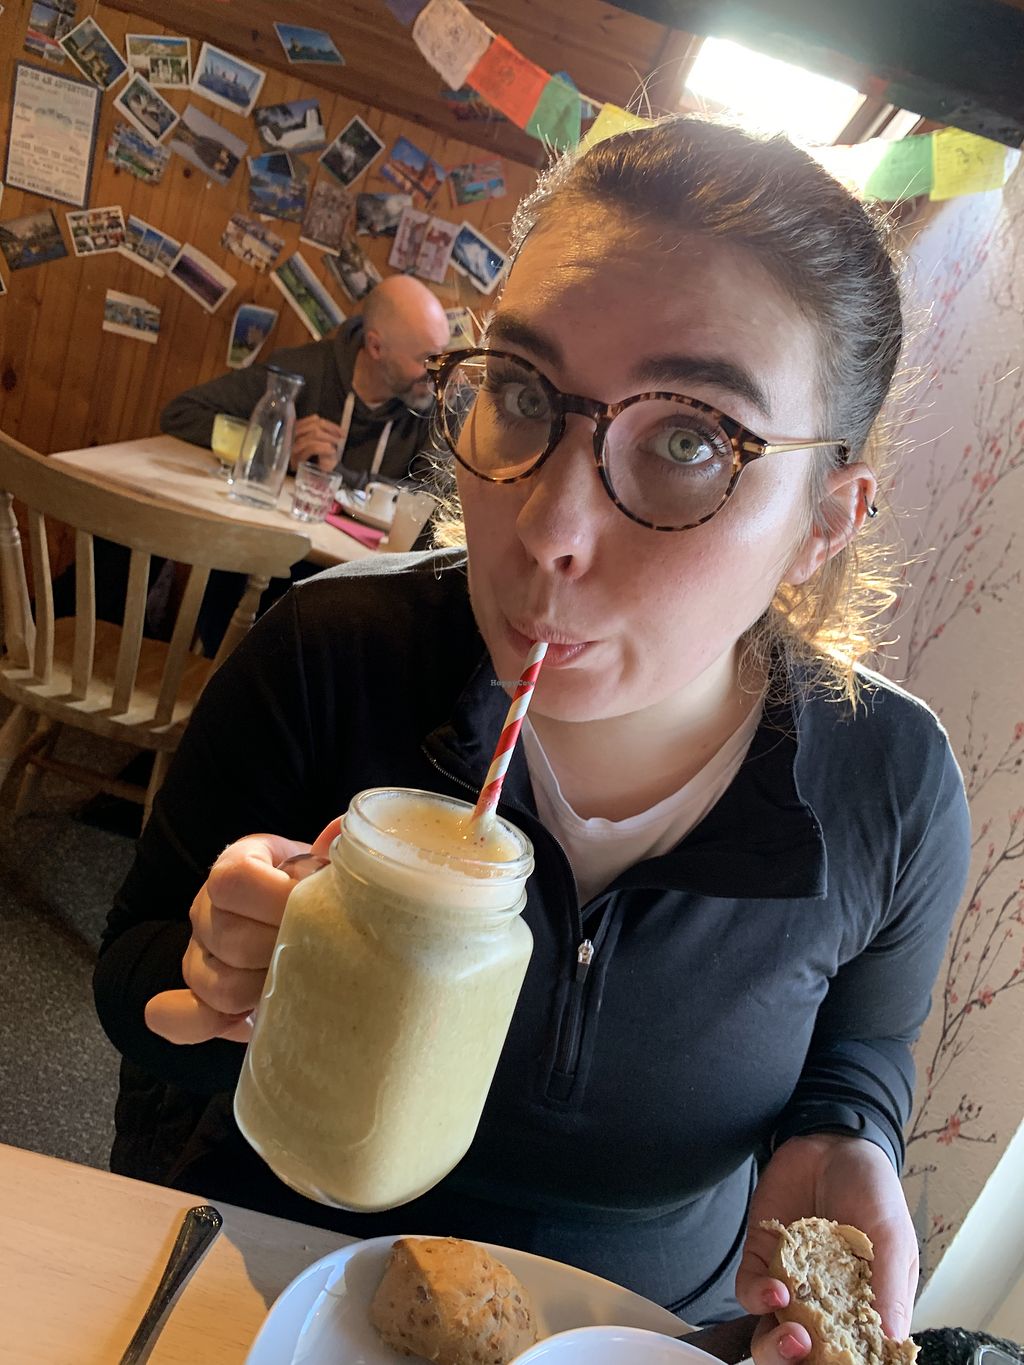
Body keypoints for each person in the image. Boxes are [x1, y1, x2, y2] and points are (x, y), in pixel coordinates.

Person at [93, 117, 971, 1354]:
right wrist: (215, 982)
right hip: (283, 1293)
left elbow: (861, 1042)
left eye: (690, 441)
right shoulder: (329, 652)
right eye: (520, 394)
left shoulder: (893, 784)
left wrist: (846, 1135)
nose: (548, 527)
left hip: (640, 1328)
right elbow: (131, 978)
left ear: (822, 522)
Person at [160, 274, 451, 482]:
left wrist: (338, 476)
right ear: (375, 347)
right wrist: (276, 449)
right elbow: (182, 414)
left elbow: (432, 502)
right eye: (426, 359)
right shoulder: (300, 371)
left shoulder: (439, 403)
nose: (439, 373)